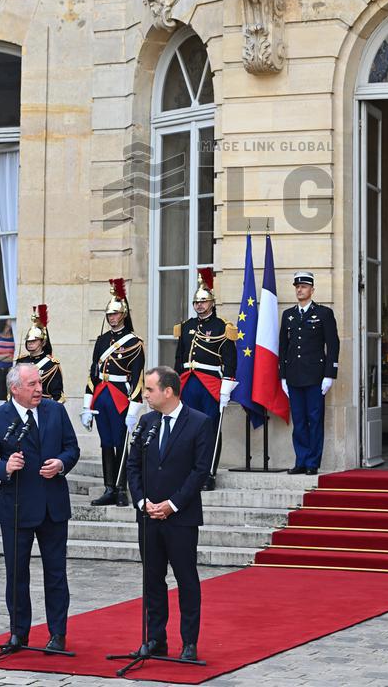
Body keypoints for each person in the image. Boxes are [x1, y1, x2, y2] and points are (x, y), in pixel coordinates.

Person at [0, 363, 80, 655]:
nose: (39, 389)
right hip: (17, 508)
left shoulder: (55, 411)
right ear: (15, 389)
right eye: (33, 384)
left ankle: (57, 634)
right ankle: (18, 634)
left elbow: (72, 448)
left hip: (53, 507)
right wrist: (5, 467)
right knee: (16, 575)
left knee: (56, 574)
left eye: (40, 383)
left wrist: (61, 463)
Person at [127, 366, 212, 663]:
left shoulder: (199, 423)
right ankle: (155, 638)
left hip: (181, 517)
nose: (145, 395)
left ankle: (189, 642)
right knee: (152, 579)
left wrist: (172, 504)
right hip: (148, 515)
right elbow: (133, 466)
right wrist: (142, 502)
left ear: (168, 391)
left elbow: (200, 471)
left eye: (149, 390)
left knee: (186, 579)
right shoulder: (146, 422)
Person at [81, 279, 144, 506]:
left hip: (120, 396)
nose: (112, 318)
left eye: (115, 314)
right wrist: (87, 406)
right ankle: (109, 487)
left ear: (123, 315)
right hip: (102, 396)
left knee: (120, 442)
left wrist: (133, 408)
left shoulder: (134, 342)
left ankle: (121, 488)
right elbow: (93, 372)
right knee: (106, 443)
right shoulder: (102, 340)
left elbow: (138, 378)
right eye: (109, 315)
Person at [174, 270, 237, 490]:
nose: (199, 306)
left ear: (212, 303)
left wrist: (226, 389)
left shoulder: (222, 327)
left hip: (210, 384)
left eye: (203, 302)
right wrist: (174, 386)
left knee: (210, 429)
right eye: (196, 302)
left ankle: (208, 473)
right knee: (187, 428)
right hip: (188, 382)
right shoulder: (186, 326)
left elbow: (230, 361)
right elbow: (178, 359)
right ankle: (190, 470)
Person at [279, 271, 340, 476]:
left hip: (315, 376)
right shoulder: (288, 314)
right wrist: (283, 376)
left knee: (314, 419)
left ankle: (313, 462)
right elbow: (283, 346)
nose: (299, 289)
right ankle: (301, 460)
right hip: (294, 376)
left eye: (304, 286)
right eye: (297, 286)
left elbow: (333, 344)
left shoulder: (323, 313)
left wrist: (329, 374)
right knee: (299, 420)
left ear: (312, 290)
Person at [16, 305, 65, 402]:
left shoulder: (51, 364)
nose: (30, 343)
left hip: (43, 406)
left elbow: (57, 395)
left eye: (34, 341)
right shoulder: (21, 361)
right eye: (29, 341)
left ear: (42, 342)